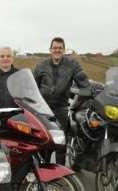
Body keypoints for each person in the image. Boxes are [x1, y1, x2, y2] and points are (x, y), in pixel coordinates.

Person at [33, 37, 89, 165]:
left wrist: (88, 90)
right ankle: (43, 171)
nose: (57, 50)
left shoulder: (72, 64)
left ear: (63, 50)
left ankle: (60, 174)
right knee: (43, 141)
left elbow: (82, 79)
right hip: (42, 109)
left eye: (60, 48)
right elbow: (32, 86)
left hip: (61, 108)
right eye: (55, 48)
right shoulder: (40, 66)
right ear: (50, 50)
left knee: (61, 142)